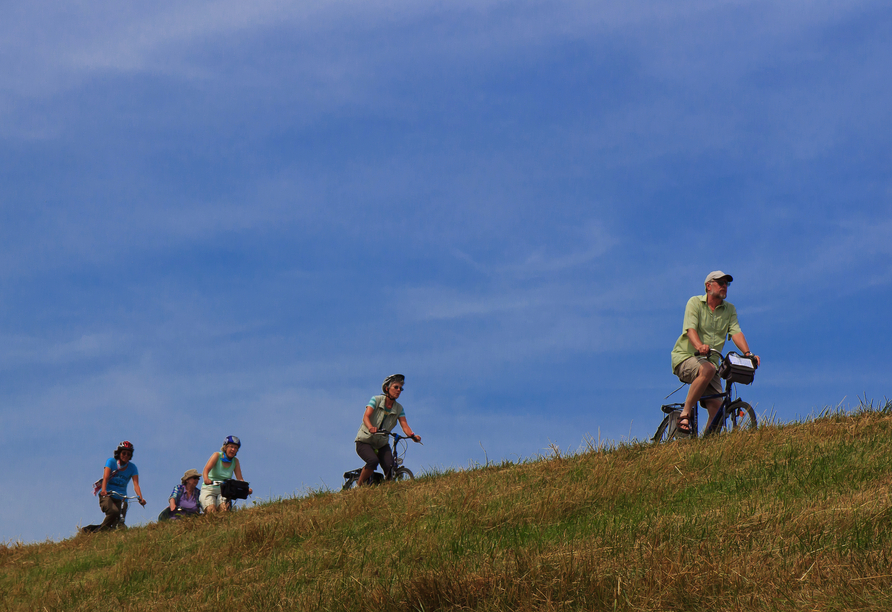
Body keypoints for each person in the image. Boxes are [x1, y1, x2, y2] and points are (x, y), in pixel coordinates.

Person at [670, 271, 761, 436]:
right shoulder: (695, 303)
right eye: (720, 283)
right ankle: (685, 413)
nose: (724, 286)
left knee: (718, 409)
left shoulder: (729, 310)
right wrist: (699, 346)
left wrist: (748, 354)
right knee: (708, 370)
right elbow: (690, 330)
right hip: (686, 358)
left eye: (726, 283)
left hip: (710, 363)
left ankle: (706, 444)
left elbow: (736, 333)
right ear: (708, 286)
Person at [354, 374, 421, 486]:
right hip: (365, 440)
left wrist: (413, 436)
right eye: (396, 387)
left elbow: (405, 425)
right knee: (373, 461)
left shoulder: (399, 408)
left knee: (390, 467)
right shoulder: (376, 400)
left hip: (381, 443)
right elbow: (366, 416)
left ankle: (388, 490)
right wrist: (371, 427)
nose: (399, 390)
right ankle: (359, 486)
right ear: (387, 388)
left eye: (401, 388)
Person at [92, 440, 147, 532]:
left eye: (128, 454)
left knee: (119, 522)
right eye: (124, 453)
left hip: (122, 498)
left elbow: (136, 485)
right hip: (107, 494)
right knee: (113, 512)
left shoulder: (133, 468)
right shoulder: (111, 462)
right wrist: (104, 490)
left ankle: (97, 531)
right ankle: (100, 532)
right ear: (119, 453)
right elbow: (105, 477)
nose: (126, 456)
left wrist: (140, 498)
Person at [200, 436, 252, 512]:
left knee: (224, 509)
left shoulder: (235, 461)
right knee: (211, 511)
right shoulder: (217, 456)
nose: (233, 450)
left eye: (235, 448)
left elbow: (240, 478)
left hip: (224, 490)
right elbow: (206, 470)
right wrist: (206, 479)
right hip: (210, 488)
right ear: (225, 447)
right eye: (231, 447)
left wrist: (245, 488)